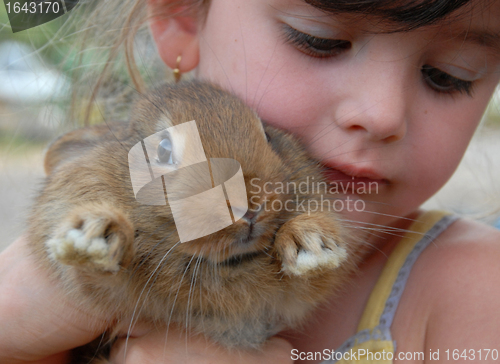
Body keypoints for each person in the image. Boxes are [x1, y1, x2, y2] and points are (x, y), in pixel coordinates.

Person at [1, 0, 500, 363]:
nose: (382, 115)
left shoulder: (478, 292)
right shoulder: (53, 280)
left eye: (449, 75)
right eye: (318, 40)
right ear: (180, 15)